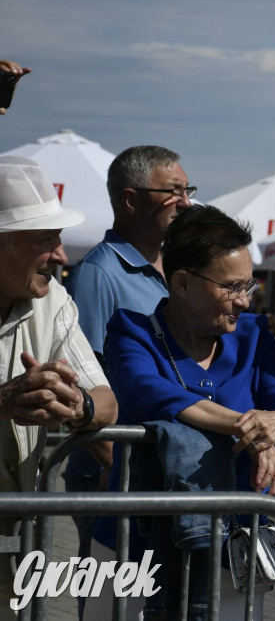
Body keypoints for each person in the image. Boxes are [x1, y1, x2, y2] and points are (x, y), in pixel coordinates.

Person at [86, 205, 275, 621]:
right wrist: (255, 430)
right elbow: (152, 394)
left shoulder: (254, 333)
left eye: (250, 285)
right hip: (133, 545)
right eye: (231, 287)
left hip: (233, 546)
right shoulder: (131, 330)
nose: (245, 300)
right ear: (182, 282)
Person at [64, 145, 194, 606]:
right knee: (114, 606)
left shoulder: (174, 266)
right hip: (113, 478)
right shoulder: (98, 274)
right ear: (131, 200)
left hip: (157, 473)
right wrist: (111, 465)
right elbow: (86, 384)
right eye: (172, 192)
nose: (186, 202)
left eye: (187, 190)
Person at [0, 156, 117, 616]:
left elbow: (106, 401)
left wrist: (78, 405)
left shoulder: (54, 300)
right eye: (45, 239)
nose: (61, 255)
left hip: (15, 539)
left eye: (60, 238)